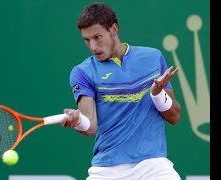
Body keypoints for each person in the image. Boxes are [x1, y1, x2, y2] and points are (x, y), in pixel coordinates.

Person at [59, 2, 182, 180]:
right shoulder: (82, 72)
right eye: (87, 40)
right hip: (107, 169)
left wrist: (157, 94)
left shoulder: (152, 58)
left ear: (114, 29)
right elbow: (90, 126)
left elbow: (174, 117)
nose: (93, 47)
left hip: (153, 166)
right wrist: (78, 120)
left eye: (97, 37)